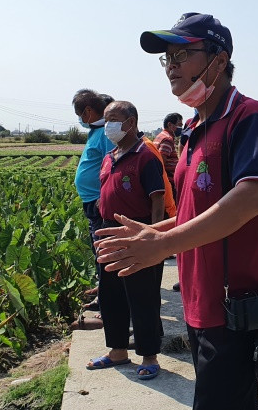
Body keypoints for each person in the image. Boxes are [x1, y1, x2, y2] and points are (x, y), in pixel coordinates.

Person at [95, 13, 258, 410]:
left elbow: (251, 199)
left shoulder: (250, 118)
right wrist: (152, 234)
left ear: (218, 61)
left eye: (182, 54)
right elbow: (194, 209)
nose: (170, 66)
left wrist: (164, 242)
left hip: (233, 302)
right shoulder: (196, 127)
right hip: (199, 297)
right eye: (167, 57)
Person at [86, 100, 166, 381]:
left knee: (142, 298)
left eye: (114, 119)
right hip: (108, 233)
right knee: (111, 296)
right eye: (106, 119)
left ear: (131, 123)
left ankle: (149, 356)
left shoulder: (146, 157)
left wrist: (155, 242)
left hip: (137, 233)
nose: (108, 126)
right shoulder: (111, 156)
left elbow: (158, 202)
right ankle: (117, 351)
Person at [72, 89, 114, 311]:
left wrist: (104, 195)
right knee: (97, 247)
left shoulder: (106, 133)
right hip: (91, 200)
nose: (79, 119)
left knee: (102, 248)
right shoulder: (96, 131)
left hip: (99, 201)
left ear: (88, 111)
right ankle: (103, 290)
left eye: (79, 114)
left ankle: (106, 299)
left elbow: (113, 165)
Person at [154, 112, 184, 291]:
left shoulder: (160, 136)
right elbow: (161, 163)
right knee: (171, 217)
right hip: (168, 184)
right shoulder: (167, 139)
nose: (180, 127)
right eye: (179, 124)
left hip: (166, 184)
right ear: (172, 125)